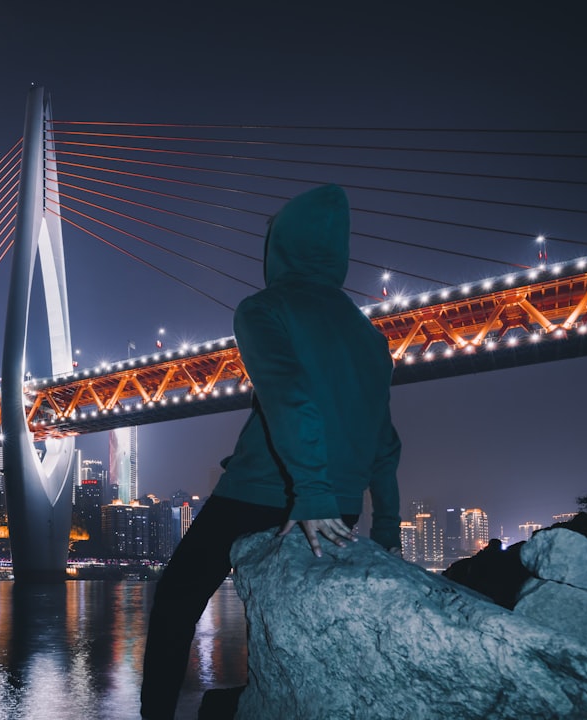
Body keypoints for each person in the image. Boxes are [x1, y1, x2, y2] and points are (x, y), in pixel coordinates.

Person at [140, 184, 402, 720]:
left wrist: (311, 493)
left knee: (175, 602)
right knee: (290, 623)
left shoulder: (263, 309)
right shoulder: (369, 334)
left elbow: (289, 397)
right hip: (339, 509)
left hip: (267, 495)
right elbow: (385, 439)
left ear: (278, 247)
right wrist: (387, 530)